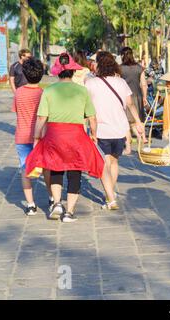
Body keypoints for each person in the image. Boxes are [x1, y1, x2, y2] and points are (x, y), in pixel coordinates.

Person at [25, 53, 104, 223]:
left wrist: (37, 137)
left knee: (56, 169)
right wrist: (94, 135)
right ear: (73, 72)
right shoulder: (82, 90)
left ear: (58, 72)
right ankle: (69, 213)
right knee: (75, 172)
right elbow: (92, 118)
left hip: (54, 135)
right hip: (76, 136)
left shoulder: (49, 91)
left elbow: (41, 119)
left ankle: (58, 203)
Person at [85, 51, 144, 210]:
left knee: (103, 164)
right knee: (114, 162)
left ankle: (110, 198)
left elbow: (86, 108)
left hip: (101, 130)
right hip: (119, 129)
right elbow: (130, 104)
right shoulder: (121, 83)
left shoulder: (90, 84)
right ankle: (110, 193)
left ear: (99, 65)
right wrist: (138, 121)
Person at [12, 57, 53, 216]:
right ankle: (51, 197)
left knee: (25, 169)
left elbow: (17, 111)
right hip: (42, 136)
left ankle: (30, 205)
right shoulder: (44, 93)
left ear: (24, 73)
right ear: (41, 74)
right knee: (46, 168)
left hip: (22, 136)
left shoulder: (19, 93)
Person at [120, 47, 149, 144]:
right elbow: (144, 84)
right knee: (139, 118)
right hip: (138, 96)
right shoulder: (139, 68)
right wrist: (145, 97)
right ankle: (143, 137)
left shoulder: (120, 68)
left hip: (126, 97)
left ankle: (131, 138)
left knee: (128, 119)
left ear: (122, 55)